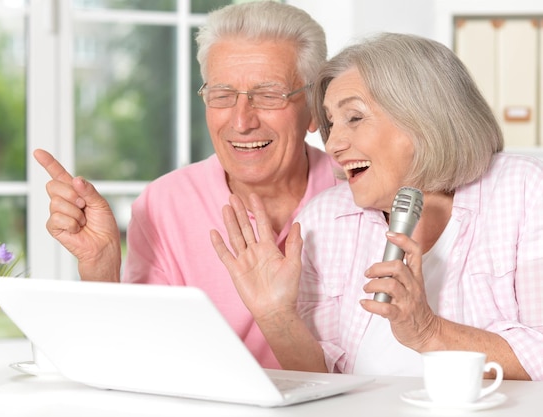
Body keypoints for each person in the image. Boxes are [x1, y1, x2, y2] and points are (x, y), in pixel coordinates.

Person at [211, 32, 543, 380]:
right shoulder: (325, 220)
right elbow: (323, 387)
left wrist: (427, 331)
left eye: (354, 117)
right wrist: (275, 316)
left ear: (424, 117)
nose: (334, 143)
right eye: (331, 123)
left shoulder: (524, 191)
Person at [33, 1, 340, 369]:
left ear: (313, 109)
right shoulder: (165, 204)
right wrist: (101, 266)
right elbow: (133, 361)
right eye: (223, 96)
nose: (241, 121)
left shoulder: (357, 198)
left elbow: (375, 370)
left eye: (269, 95)